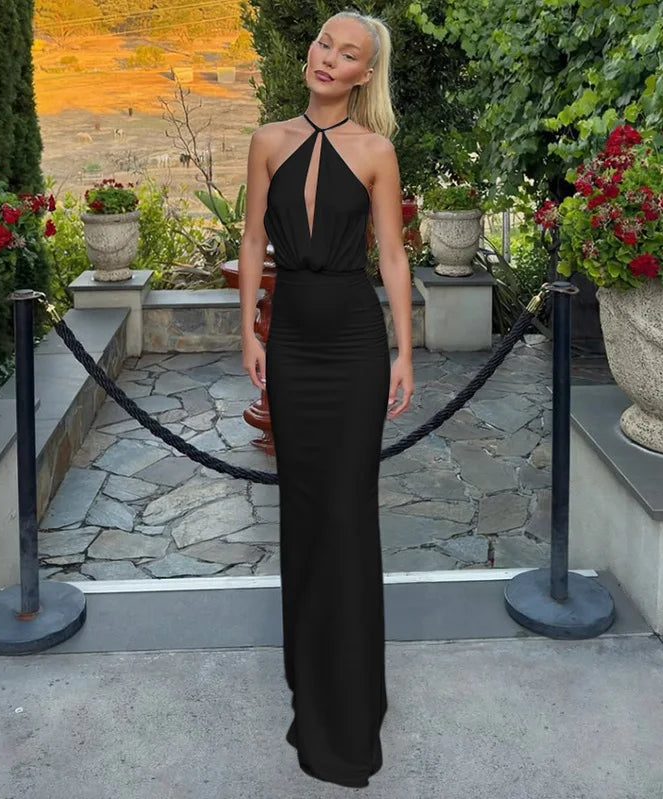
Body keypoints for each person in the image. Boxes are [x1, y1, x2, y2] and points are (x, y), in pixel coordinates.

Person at [238, 9, 414, 789]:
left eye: (347, 54)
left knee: (346, 513)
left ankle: (350, 706)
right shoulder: (268, 140)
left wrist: (406, 349)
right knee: (303, 513)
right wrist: (247, 329)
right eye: (323, 43)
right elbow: (251, 240)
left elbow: (391, 255)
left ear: (362, 75)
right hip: (291, 341)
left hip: (351, 343)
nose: (327, 58)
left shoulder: (377, 151)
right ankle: (312, 680)